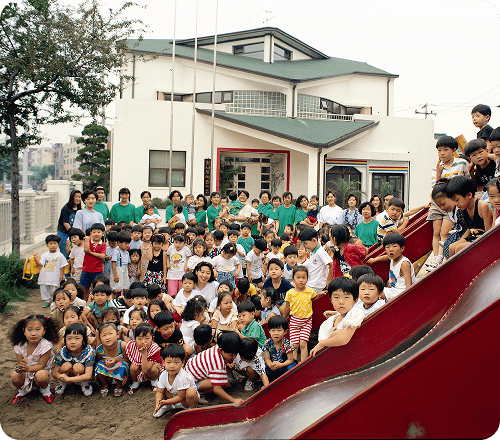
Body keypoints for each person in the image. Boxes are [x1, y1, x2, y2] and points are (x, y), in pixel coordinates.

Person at [426, 136, 470, 269]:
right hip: (438, 201)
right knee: (436, 231)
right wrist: (439, 174)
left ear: (454, 150)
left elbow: (467, 180)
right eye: (439, 151)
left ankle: (441, 258)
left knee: (445, 231)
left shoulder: (461, 163)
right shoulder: (436, 168)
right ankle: (436, 258)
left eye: (445, 150)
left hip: (452, 202)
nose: (442, 153)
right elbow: (435, 188)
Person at [184, 331, 244, 405]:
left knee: (223, 380)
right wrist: (233, 400)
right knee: (222, 382)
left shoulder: (218, 348)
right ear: (221, 350)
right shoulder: (218, 363)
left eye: (236, 354)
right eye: (231, 355)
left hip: (191, 371)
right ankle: (198, 393)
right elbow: (217, 389)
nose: (234, 357)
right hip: (189, 383)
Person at [10, 314, 59, 404]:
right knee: (14, 375)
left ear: (44, 331)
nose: (33, 333)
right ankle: (22, 390)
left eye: (38, 329)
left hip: (40, 371)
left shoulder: (45, 346)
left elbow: (41, 365)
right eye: (29, 330)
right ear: (24, 331)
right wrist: (20, 368)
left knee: (42, 375)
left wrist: (28, 368)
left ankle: (45, 390)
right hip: (26, 373)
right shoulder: (20, 346)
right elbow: (21, 363)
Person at [310, 277, 364, 357]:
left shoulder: (355, 313)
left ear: (355, 300)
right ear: (331, 299)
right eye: (336, 297)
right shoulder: (331, 320)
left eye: (346, 297)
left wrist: (322, 343)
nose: (341, 302)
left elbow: (343, 339)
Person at [445, 175, 493, 255]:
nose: (456, 204)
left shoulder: (482, 206)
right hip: (474, 237)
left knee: (459, 248)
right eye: (454, 201)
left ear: (469, 195)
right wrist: (460, 240)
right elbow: (470, 228)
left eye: (457, 200)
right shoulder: (464, 207)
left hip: (483, 238)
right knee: (452, 247)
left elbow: (489, 232)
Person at [153, 344, 199, 417]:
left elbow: (181, 397)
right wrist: (158, 403)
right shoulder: (163, 375)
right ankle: (166, 406)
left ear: (182, 363)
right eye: (168, 362)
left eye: (176, 362)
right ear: (163, 363)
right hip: (173, 398)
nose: (172, 366)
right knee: (162, 388)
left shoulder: (183, 376)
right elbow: (159, 391)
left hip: (185, 401)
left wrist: (166, 402)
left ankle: (192, 410)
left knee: (191, 392)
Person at [53, 323, 96, 397]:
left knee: (78, 366)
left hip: (79, 374)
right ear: (65, 339)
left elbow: (88, 375)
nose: (73, 342)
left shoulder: (89, 352)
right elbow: (55, 373)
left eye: (77, 338)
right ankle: (63, 384)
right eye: (69, 338)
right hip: (66, 376)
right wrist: (62, 378)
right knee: (66, 365)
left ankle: (84, 384)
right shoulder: (62, 352)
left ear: (83, 340)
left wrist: (68, 379)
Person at [368, 233, 416, 300]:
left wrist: (400, 298)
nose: (391, 249)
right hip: (393, 289)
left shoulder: (404, 263)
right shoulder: (393, 258)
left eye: (394, 246)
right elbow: (387, 257)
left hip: (401, 291)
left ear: (402, 248)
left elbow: (409, 284)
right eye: (387, 247)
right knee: (374, 291)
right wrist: (374, 260)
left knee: (377, 294)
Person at [126, 322, 164, 393]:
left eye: (147, 338)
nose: (143, 342)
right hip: (139, 367)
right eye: (139, 339)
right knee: (133, 367)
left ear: (152, 339)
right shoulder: (132, 345)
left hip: (149, 368)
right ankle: (135, 382)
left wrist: (144, 354)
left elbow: (145, 369)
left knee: (153, 369)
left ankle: (154, 381)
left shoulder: (154, 349)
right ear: (135, 338)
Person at [95, 322, 130, 397]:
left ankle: (119, 384)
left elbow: (128, 360)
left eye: (110, 334)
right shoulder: (99, 349)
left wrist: (116, 360)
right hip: (107, 371)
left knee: (123, 366)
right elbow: (98, 360)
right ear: (100, 338)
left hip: (119, 369)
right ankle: (105, 384)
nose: (107, 337)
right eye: (104, 335)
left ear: (117, 335)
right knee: (98, 366)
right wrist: (105, 361)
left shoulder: (122, 345)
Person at [34, 234, 68, 307]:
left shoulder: (59, 255)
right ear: (47, 245)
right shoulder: (45, 255)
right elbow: (41, 264)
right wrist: (36, 259)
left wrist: (62, 274)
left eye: (55, 243)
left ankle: (54, 300)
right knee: (44, 288)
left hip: (55, 275)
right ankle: (46, 300)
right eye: (51, 243)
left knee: (54, 288)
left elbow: (62, 266)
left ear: (58, 245)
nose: (53, 245)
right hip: (45, 275)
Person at [298, 227, 333, 292]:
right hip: (311, 283)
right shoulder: (313, 251)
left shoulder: (320, 252)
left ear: (314, 240)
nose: (305, 246)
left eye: (305, 243)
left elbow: (331, 264)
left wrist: (328, 280)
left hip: (317, 285)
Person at [262, 315, 295, 382]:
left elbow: (290, 360)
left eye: (279, 330)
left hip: (284, 366)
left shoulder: (287, 343)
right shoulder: (268, 343)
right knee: (264, 366)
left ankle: (289, 382)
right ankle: (269, 383)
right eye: (273, 330)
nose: (276, 333)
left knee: (291, 367)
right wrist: (271, 365)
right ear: (269, 331)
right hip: (274, 367)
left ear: (285, 331)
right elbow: (267, 358)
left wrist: (281, 365)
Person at [80, 223, 106, 300]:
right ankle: (84, 302)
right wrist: (87, 239)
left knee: (98, 289)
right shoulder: (88, 242)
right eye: (94, 232)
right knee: (85, 288)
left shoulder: (103, 244)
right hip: (86, 269)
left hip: (97, 270)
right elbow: (86, 250)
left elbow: (102, 256)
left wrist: (91, 253)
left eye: (98, 232)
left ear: (103, 233)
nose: (96, 234)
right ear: (91, 233)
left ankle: (95, 302)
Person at [57, 189, 82, 258]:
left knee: (74, 254)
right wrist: (72, 234)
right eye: (75, 197)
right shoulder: (66, 208)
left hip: (75, 235)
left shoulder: (80, 209)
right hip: (64, 234)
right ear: (72, 197)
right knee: (65, 254)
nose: (77, 199)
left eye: (79, 197)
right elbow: (65, 223)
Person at [110, 231, 132, 296]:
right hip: (118, 270)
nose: (127, 245)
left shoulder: (127, 252)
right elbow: (113, 263)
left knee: (124, 287)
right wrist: (115, 275)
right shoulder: (116, 252)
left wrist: (128, 272)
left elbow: (128, 263)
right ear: (119, 243)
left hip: (124, 270)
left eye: (128, 243)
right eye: (125, 243)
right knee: (117, 288)